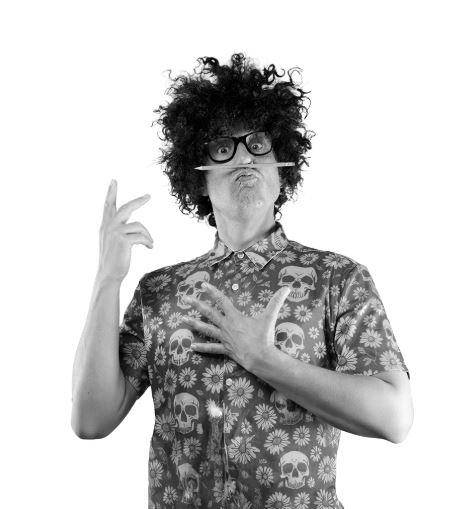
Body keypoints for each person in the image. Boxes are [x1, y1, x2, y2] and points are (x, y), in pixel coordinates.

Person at [71, 53, 413, 509]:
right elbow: (91, 420)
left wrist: (264, 359)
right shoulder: (158, 292)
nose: (245, 157)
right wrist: (107, 279)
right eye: (222, 147)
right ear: (199, 178)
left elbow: (394, 416)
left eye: (258, 143)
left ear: (281, 168)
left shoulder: (337, 279)